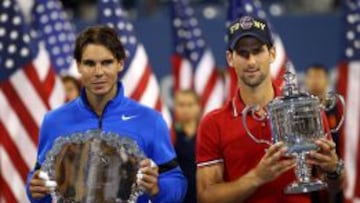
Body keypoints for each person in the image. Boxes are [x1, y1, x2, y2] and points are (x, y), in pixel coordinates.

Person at [26, 25, 187, 203]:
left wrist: (157, 189)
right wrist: (35, 191)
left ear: (120, 63)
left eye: (107, 62)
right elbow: (39, 179)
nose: (98, 72)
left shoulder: (150, 120)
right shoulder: (54, 121)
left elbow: (176, 182)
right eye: (89, 63)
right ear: (78, 66)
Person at [196, 15, 344, 203]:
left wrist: (334, 169)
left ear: (272, 53)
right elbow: (205, 197)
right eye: (243, 53)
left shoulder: (306, 110)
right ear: (230, 58)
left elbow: (332, 190)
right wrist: (257, 177)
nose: (251, 62)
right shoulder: (213, 123)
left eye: (257, 51)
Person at [304, 64, 344, 203]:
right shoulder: (300, 113)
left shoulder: (337, 109)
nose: (315, 80)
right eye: (311, 76)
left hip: (335, 170)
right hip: (311, 175)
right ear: (305, 81)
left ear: (327, 80)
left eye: (319, 76)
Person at [172, 89, 201, 203]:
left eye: (190, 105)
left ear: (198, 107)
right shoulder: (170, 134)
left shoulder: (207, 134)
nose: (185, 109)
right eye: (181, 105)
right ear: (175, 107)